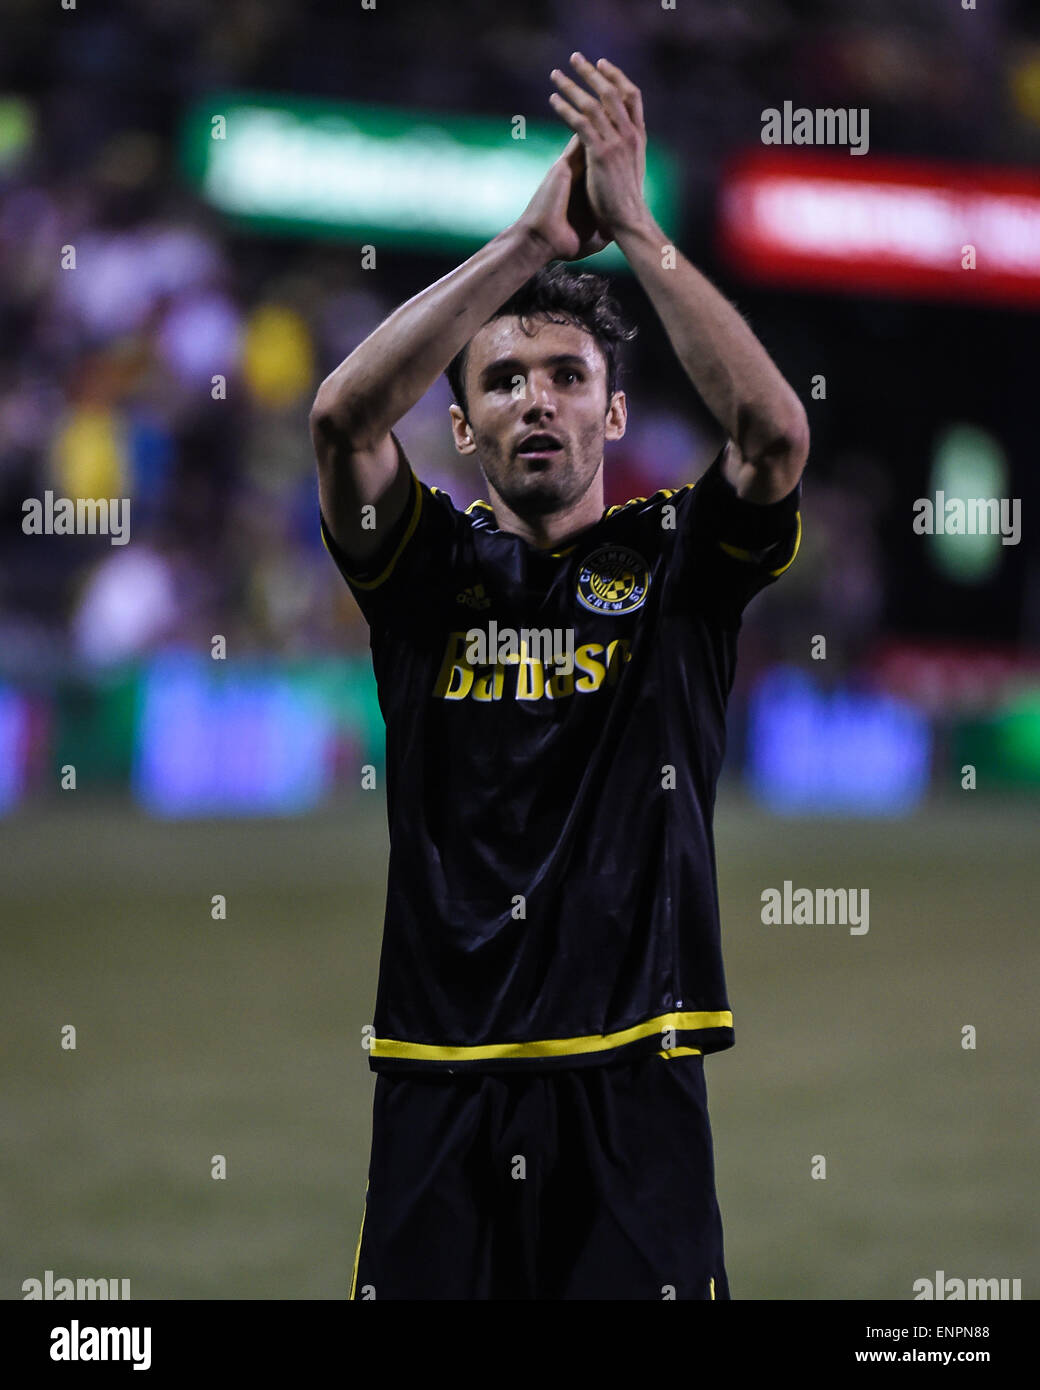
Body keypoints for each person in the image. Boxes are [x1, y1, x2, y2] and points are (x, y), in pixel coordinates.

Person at [310, 53, 808, 1300]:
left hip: (632, 1069)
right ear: (464, 427)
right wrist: (528, 243)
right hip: (440, 1069)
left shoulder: (677, 568)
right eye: (503, 381)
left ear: (614, 414)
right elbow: (341, 422)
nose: (537, 398)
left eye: (567, 377)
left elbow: (773, 436)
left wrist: (632, 228)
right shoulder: (424, 571)